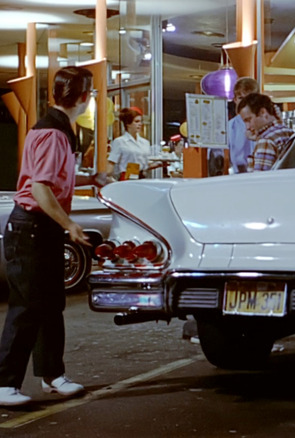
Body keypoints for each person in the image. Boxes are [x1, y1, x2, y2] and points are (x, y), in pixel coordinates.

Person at [0, 66, 108, 406]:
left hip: (37, 227)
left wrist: (92, 181)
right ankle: (5, 383)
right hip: (33, 226)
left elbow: (50, 179)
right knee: (28, 307)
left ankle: (52, 376)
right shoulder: (54, 134)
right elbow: (40, 187)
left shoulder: (54, 128)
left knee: (50, 305)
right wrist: (70, 224)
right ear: (83, 98)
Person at [237, 93, 294, 171]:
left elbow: (260, 179)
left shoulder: (266, 141)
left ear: (263, 112)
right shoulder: (289, 131)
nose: (247, 127)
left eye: (249, 120)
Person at [107, 107, 156, 180]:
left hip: (143, 177)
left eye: (140, 121)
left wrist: (159, 164)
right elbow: (111, 162)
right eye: (136, 121)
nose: (140, 124)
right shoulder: (120, 142)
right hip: (127, 178)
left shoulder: (145, 143)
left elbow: (146, 164)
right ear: (128, 124)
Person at [228, 77, 259, 174]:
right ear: (235, 100)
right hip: (239, 176)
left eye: (248, 98)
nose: (244, 102)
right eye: (241, 98)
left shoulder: (265, 122)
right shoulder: (230, 126)